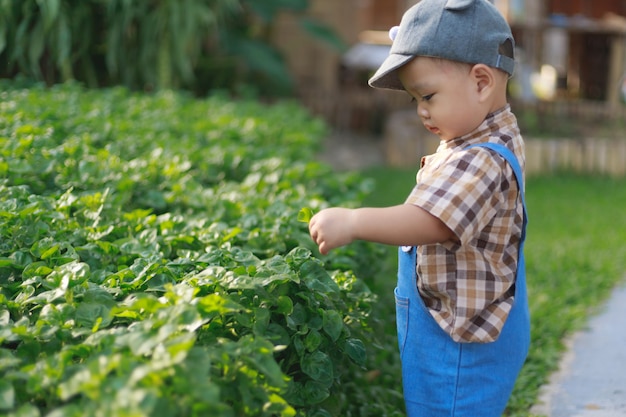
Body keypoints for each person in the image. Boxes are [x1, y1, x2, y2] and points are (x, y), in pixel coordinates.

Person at [308, 0, 530, 415]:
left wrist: (355, 221)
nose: (422, 110)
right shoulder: (482, 134)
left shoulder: (481, 160)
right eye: (415, 99)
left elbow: (430, 221)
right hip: (457, 323)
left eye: (427, 95)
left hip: (462, 346)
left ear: (481, 82)